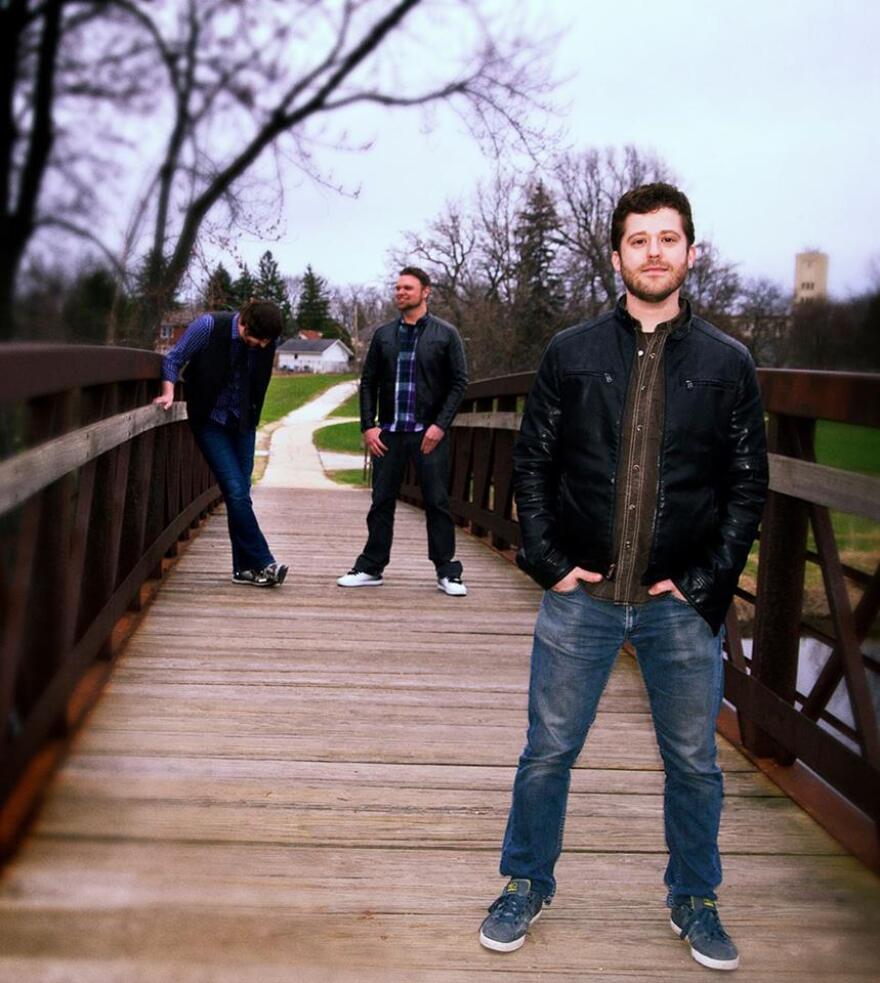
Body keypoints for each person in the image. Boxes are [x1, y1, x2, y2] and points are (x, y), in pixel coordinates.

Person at [478, 184, 768, 972]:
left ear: (691, 252)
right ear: (616, 256)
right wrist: (548, 561)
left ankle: (695, 896)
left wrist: (705, 581)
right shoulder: (570, 352)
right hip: (583, 598)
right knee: (547, 751)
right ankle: (525, 882)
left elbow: (747, 486)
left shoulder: (728, 363)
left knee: (694, 761)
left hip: (679, 603)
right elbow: (531, 462)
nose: (654, 252)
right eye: (639, 239)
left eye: (668, 238)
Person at [337, 266, 469, 595]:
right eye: (397, 288)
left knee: (437, 502)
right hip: (389, 434)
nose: (400, 292)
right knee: (381, 501)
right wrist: (368, 427)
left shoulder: (445, 334)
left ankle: (447, 572)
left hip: (428, 434)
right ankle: (371, 567)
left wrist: (440, 425)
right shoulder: (383, 335)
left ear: (425, 292)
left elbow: (459, 382)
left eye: (408, 288)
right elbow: (368, 383)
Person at [153, 300, 288, 588]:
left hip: (243, 423)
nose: (262, 346)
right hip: (209, 420)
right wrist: (168, 391)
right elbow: (173, 359)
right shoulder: (209, 326)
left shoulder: (265, 340)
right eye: (258, 340)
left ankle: (243, 570)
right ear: (244, 324)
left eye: (267, 342)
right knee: (236, 490)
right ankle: (264, 561)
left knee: (241, 493)